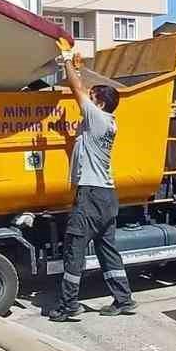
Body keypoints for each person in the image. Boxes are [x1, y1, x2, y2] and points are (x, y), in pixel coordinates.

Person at [51, 51, 136, 321]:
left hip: (91, 195)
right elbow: (82, 147)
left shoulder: (96, 117)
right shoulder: (107, 123)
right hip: (106, 195)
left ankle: (68, 305)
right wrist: (65, 133)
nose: (88, 97)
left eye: (93, 95)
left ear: (98, 103)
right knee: (106, 248)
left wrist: (66, 60)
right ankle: (124, 300)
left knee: (74, 247)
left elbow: (77, 88)